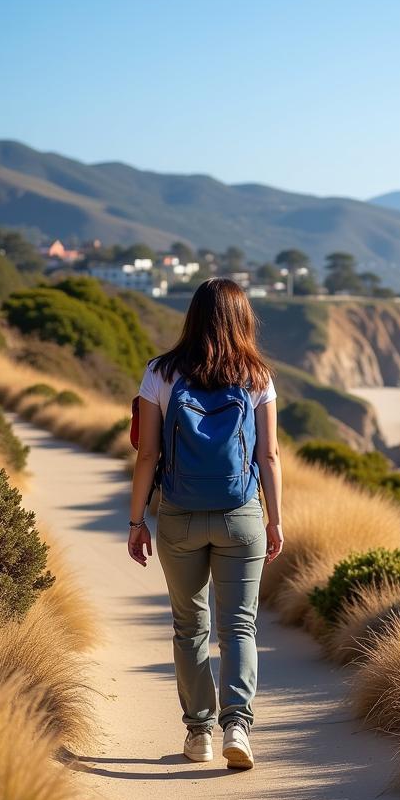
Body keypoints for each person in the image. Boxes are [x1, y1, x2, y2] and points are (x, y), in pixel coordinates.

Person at [127, 278, 283, 770]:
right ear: (244, 319)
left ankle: (200, 735)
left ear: (192, 316)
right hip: (242, 515)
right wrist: (275, 522)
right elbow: (270, 455)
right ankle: (238, 725)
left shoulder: (160, 372)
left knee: (190, 625)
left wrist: (137, 521)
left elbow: (148, 453)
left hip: (179, 515)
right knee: (239, 625)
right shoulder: (257, 376)